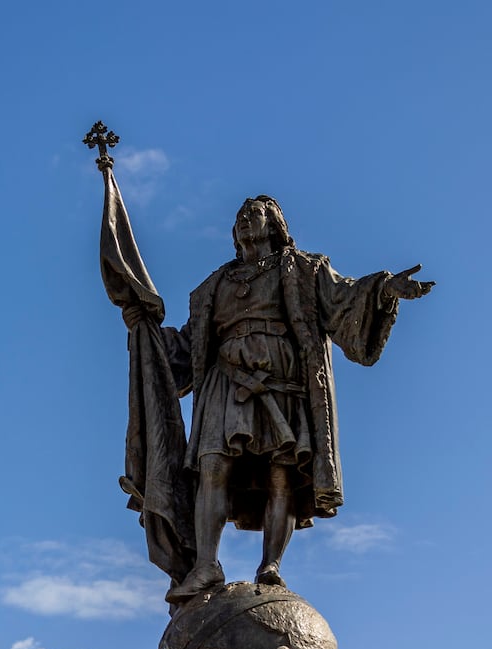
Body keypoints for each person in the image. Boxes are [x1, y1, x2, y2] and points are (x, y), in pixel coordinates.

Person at [122, 196, 433, 603]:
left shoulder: (304, 269)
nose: (247, 221)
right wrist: (147, 333)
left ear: (275, 226)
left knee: (280, 473)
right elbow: (187, 347)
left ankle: (270, 564)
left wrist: (384, 289)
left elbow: (345, 299)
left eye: (256, 214)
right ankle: (207, 565)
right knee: (212, 466)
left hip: (281, 381)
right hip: (225, 382)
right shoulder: (212, 287)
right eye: (241, 217)